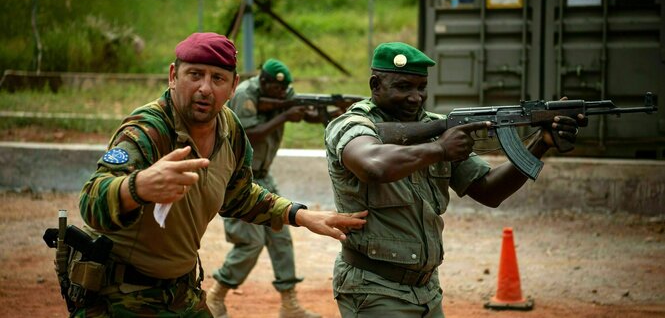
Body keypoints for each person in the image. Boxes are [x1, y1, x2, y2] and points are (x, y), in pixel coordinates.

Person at [74, 32, 367, 317]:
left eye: (217, 79)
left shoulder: (229, 128)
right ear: (173, 75)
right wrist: (137, 187)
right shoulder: (147, 131)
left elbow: (238, 195)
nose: (205, 88)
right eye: (195, 75)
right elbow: (91, 200)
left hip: (180, 287)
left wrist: (299, 215)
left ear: (233, 85)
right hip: (120, 292)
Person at [324, 42, 582, 317]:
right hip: (373, 289)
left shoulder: (438, 127)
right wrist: (439, 150)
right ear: (375, 84)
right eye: (403, 87)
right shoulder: (350, 124)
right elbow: (372, 165)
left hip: (427, 290)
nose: (415, 97)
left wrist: (541, 144)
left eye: (421, 87)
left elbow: (489, 191)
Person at [207, 59, 323, 318]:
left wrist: (326, 114)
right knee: (250, 242)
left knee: (281, 235)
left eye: (285, 91)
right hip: (238, 178)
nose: (282, 94)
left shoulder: (283, 94)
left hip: (264, 176)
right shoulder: (246, 94)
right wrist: (284, 115)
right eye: (277, 90)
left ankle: (289, 304)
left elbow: (301, 111)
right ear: (264, 82)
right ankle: (215, 297)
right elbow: (250, 133)